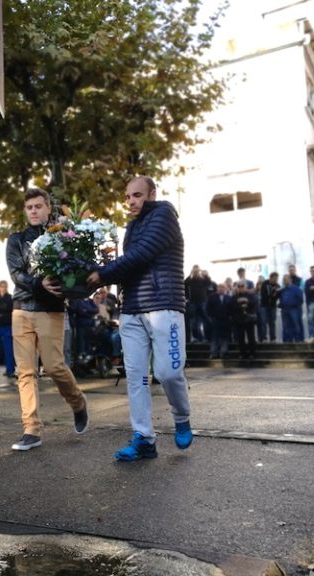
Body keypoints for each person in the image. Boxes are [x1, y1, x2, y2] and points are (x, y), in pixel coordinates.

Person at [88, 176, 192, 462]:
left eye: (137, 195)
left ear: (152, 194)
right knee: (135, 377)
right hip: (132, 309)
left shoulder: (164, 214)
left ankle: (181, 417)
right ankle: (144, 438)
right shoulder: (132, 227)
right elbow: (129, 266)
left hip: (164, 306)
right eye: (127, 197)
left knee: (168, 373)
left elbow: (141, 255)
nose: (131, 201)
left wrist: (101, 274)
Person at [6, 187, 89, 451]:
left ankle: (77, 402)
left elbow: (73, 268)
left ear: (47, 208)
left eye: (38, 206)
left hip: (51, 309)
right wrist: (38, 283)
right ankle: (31, 429)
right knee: (25, 372)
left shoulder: (62, 236)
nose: (33, 211)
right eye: (29, 207)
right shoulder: (16, 240)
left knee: (54, 367)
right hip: (21, 309)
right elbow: (16, 273)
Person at [230, 280, 258, 360]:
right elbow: (232, 307)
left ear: (245, 287)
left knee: (251, 337)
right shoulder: (234, 297)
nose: (241, 288)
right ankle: (243, 354)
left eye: (242, 286)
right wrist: (242, 305)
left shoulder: (251, 296)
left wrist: (246, 302)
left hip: (249, 320)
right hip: (239, 320)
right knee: (240, 338)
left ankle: (252, 353)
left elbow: (254, 305)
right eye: (239, 287)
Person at [206, 283, 232, 359]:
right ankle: (213, 353)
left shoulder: (228, 298)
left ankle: (224, 352)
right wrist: (211, 318)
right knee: (214, 337)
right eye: (220, 287)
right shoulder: (212, 297)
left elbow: (232, 309)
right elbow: (208, 309)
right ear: (217, 288)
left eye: (223, 287)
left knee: (225, 337)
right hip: (215, 320)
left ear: (225, 289)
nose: (221, 289)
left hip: (226, 320)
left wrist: (230, 317)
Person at [278, 274, 304, 342]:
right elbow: (281, 299)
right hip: (284, 310)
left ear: (290, 280)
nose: (284, 281)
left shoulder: (296, 289)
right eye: (283, 280)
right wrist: (281, 304)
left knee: (295, 324)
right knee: (286, 326)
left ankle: (298, 340)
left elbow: (300, 299)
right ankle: (287, 340)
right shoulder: (283, 290)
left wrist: (294, 305)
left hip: (294, 309)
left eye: (285, 279)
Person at [258, 272, 281, 342]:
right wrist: (274, 292)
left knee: (272, 322)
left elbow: (277, 297)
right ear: (270, 278)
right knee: (263, 322)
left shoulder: (278, 286)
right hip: (264, 306)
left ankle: (273, 338)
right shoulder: (265, 284)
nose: (276, 280)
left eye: (277, 279)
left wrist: (274, 294)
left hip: (273, 306)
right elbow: (264, 295)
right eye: (274, 278)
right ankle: (264, 338)